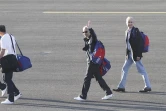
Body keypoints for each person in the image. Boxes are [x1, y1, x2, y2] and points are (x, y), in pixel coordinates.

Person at [74, 25, 113, 101]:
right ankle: (108, 92)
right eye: (84, 32)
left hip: (93, 62)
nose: (85, 33)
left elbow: (94, 36)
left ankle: (83, 96)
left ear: (90, 32)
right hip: (93, 62)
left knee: (87, 78)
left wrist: (90, 29)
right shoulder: (87, 40)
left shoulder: (93, 39)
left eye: (86, 31)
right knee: (98, 78)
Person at [113, 17, 152, 93]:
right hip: (130, 54)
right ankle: (121, 87)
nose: (130, 23)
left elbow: (140, 44)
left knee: (141, 70)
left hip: (135, 55)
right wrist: (127, 54)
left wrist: (139, 55)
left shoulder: (135, 31)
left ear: (133, 23)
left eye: (131, 22)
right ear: (126, 23)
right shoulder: (126, 31)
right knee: (124, 68)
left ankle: (148, 86)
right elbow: (127, 45)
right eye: (128, 22)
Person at [0, 25, 22, 104]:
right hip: (13, 58)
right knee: (7, 78)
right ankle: (17, 93)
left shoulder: (3, 38)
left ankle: (10, 99)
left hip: (7, 60)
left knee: (7, 79)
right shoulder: (11, 36)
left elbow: (2, 51)